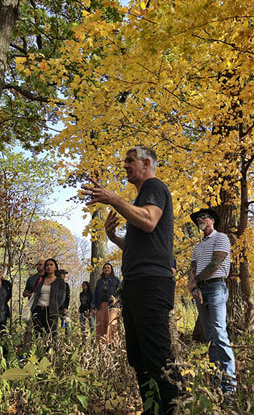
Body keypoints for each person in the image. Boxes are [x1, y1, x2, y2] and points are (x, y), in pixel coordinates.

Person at [82, 146, 179, 414]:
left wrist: (113, 199)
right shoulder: (139, 201)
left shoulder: (154, 187)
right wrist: (114, 239)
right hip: (136, 284)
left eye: (130, 160)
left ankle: (174, 409)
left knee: (158, 356)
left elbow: (149, 222)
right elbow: (144, 245)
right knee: (139, 357)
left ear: (146, 163)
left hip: (152, 283)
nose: (124, 165)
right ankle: (152, 409)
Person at [188, 208, 236, 393]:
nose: (200, 218)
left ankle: (229, 386)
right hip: (201, 290)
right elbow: (191, 271)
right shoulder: (197, 247)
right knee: (210, 338)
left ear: (213, 221)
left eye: (204, 216)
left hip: (216, 287)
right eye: (198, 218)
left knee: (219, 332)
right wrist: (194, 288)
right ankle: (217, 382)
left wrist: (197, 280)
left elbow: (216, 264)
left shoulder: (221, 238)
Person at [30, 259, 67, 339]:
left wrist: (55, 306)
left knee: (51, 335)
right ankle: (39, 350)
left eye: (51, 265)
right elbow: (36, 294)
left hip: (52, 311)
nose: (49, 267)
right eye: (47, 265)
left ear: (55, 267)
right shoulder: (40, 280)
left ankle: (51, 351)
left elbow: (62, 298)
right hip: (38, 310)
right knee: (37, 334)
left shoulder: (60, 281)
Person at [92, 263, 121, 343]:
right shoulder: (99, 281)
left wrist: (117, 299)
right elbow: (95, 294)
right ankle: (101, 347)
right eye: (104, 268)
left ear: (111, 269)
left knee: (112, 324)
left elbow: (121, 292)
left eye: (108, 267)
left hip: (112, 306)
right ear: (103, 270)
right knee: (100, 325)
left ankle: (113, 346)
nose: (106, 269)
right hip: (100, 306)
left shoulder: (116, 280)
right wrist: (93, 306)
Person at [58, 269, 70, 334]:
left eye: (64, 274)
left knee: (67, 324)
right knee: (54, 325)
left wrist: (66, 307)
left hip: (64, 308)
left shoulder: (66, 285)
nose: (64, 275)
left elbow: (68, 297)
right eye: (63, 274)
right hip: (55, 308)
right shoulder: (54, 284)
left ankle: (67, 340)